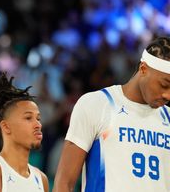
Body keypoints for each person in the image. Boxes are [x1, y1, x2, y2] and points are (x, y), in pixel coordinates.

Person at [53, 36, 170, 192]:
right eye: (164, 85)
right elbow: (64, 183)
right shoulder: (97, 104)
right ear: (143, 69)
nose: (167, 95)